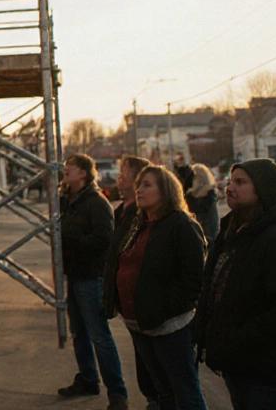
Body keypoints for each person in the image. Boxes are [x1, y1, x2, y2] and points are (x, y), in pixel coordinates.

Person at [195, 159, 276, 410]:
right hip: (239, 368)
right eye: (230, 181)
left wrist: (237, 340)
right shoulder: (233, 233)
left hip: (267, 375)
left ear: (262, 190)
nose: (229, 188)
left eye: (240, 182)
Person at [103, 165, 208, 410]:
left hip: (169, 327)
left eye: (147, 185)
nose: (138, 190)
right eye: (138, 184)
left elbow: (194, 281)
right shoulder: (140, 224)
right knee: (162, 392)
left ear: (166, 190)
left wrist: (161, 310)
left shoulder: (181, 225)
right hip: (140, 324)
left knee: (185, 392)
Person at [57, 155, 128, 409]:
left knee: (99, 335)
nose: (65, 170)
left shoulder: (96, 202)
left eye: (71, 167)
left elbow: (104, 239)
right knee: (80, 333)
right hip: (75, 274)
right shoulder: (68, 200)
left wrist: (70, 241)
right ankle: (88, 379)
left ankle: (117, 392)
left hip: (90, 276)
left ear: (84, 173)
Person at [112, 156, 159, 409]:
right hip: (129, 305)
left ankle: (157, 399)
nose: (119, 176)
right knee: (143, 357)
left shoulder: (146, 216)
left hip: (148, 305)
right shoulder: (121, 210)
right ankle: (152, 397)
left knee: (159, 363)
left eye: (124, 172)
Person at [185, 163, 220, 244]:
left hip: (207, 237)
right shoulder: (191, 196)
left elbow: (210, 220)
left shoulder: (209, 194)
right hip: (195, 237)